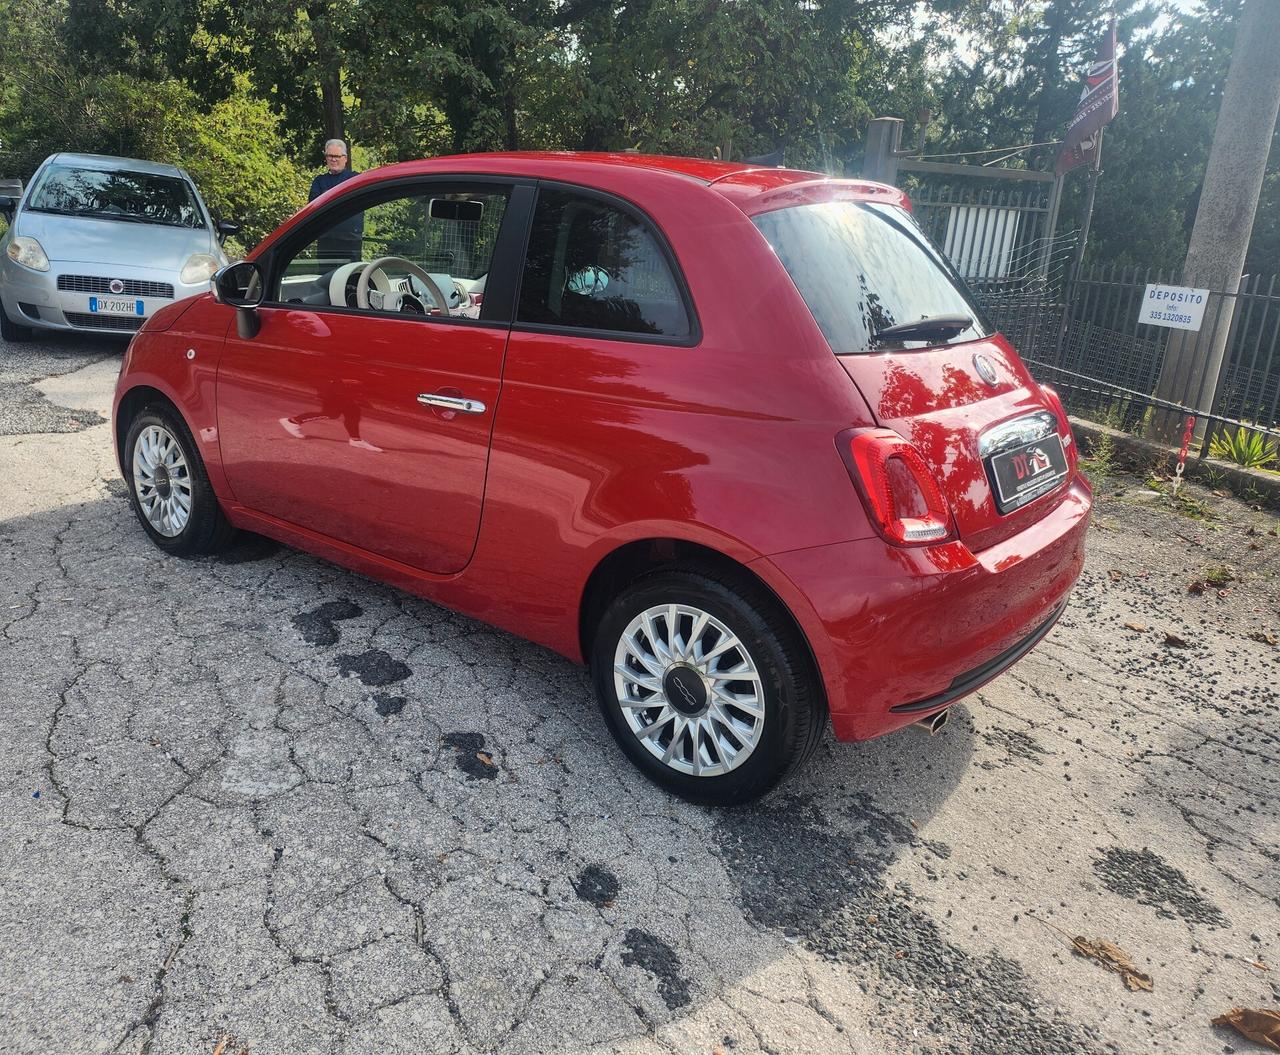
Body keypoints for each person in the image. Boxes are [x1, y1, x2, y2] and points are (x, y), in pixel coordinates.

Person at [309, 139, 362, 262]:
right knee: (325, 278)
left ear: (345, 158)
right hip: (326, 241)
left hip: (350, 241)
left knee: (351, 277)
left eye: (337, 156)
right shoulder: (319, 181)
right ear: (326, 157)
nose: (333, 159)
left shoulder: (355, 179)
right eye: (330, 156)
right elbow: (313, 208)